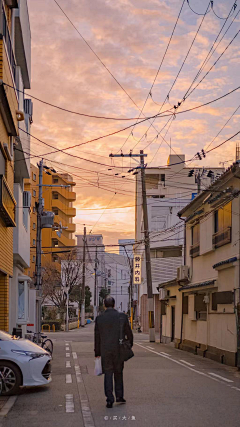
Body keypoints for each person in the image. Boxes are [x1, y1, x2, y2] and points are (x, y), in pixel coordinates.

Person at [94, 296, 133, 408]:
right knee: (118, 372)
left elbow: (97, 337)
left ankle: (109, 399)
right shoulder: (122, 317)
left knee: (108, 373)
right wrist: (129, 345)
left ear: (104, 305)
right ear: (114, 305)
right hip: (119, 349)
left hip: (105, 350)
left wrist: (97, 352)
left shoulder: (100, 318)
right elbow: (129, 334)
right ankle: (119, 396)